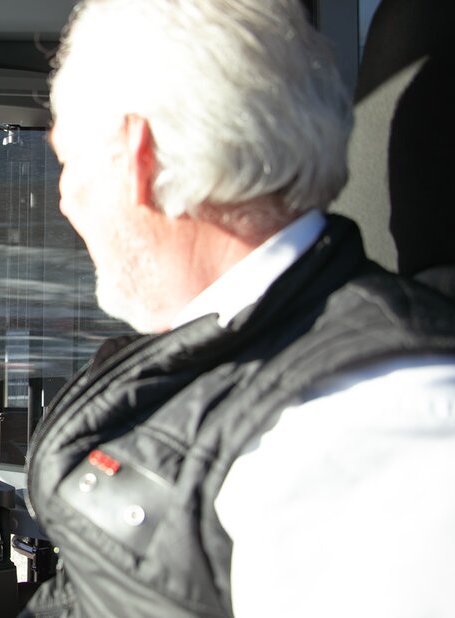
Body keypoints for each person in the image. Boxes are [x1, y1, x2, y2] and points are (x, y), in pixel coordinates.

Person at [23, 1, 455, 617]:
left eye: (67, 162)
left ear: (133, 154)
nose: (65, 200)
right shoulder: (235, 348)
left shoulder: (371, 429)